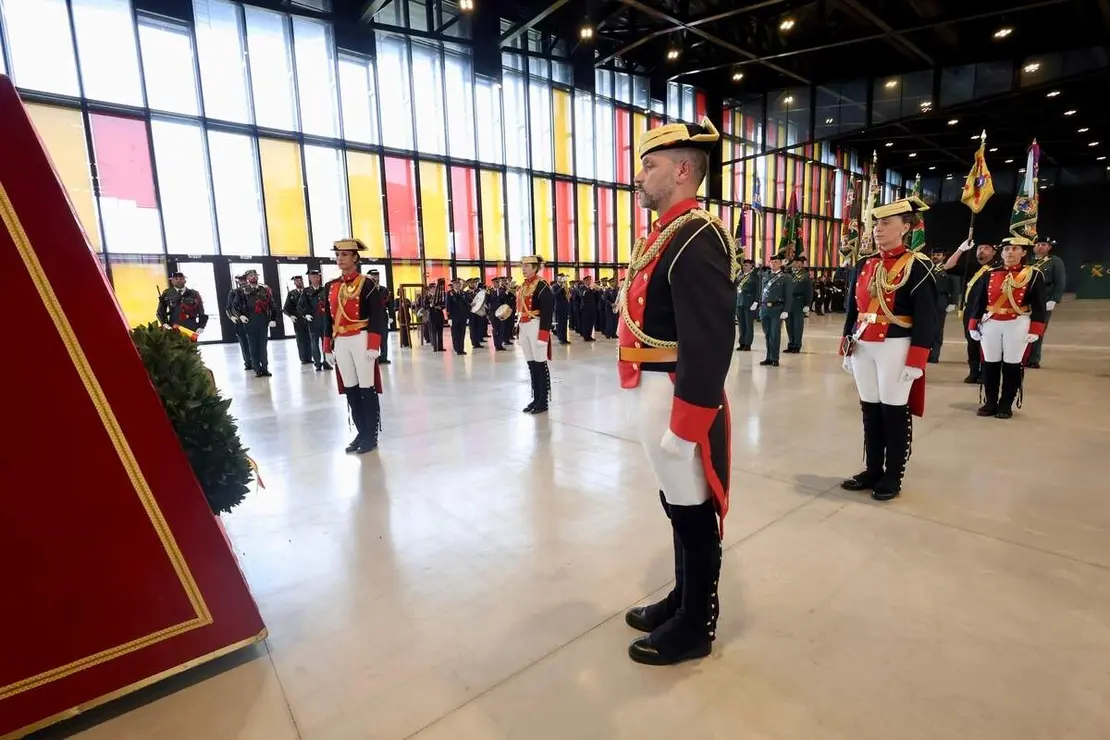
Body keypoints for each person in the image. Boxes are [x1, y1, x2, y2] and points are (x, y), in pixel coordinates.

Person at [618, 117, 736, 666]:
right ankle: (683, 596)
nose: (640, 175)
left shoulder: (697, 235)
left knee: (693, 509)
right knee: (675, 504)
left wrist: (689, 422)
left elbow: (710, 338)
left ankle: (696, 623)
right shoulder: (665, 232)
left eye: (651, 165)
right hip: (650, 384)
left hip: (674, 390)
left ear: (684, 169)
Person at [839, 197, 937, 501]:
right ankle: (872, 469)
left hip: (896, 344)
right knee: (869, 409)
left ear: (906, 227)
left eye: (886, 223)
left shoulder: (918, 266)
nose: (878, 229)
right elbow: (853, 309)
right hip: (864, 344)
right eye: (877, 223)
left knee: (894, 411)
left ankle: (893, 474)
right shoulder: (866, 263)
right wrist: (846, 344)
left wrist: (917, 358)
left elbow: (928, 315)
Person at [966, 237, 1047, 419]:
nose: (1010, 252)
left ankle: (1006, 403)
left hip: (1017, 322)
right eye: (1006, 249)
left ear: (1024, 252)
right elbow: (978, 301)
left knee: (1012, 365)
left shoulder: (1033, 274)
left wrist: (1036, 329)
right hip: (991, 322)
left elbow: (1039, 305)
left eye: (1015, 249)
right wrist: (973, 323)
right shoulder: (990, 273)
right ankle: (990, 402)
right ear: (1001, 253)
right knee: (990, 364)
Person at [322, 239, 386, 454]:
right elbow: (327, 319)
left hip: (361, 337)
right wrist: (326, 347)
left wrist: (374, 344)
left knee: (366, 388)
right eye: (338, 255)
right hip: (341, 340)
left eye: (345, 255)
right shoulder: (330, 286)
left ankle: (371, 435)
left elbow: (377, 315)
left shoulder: (367, 284)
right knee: (350, 388)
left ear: (356, 258)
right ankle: (361, 432)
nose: (340, 259)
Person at [945, 239, 999, 383]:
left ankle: (985, 372)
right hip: (970, 311)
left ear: (994, 252)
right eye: (979, 248)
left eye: (986, 248)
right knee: (971, 342)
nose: (981, 250)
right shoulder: (972, 266)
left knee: (986, 343)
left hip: (988, 312)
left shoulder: (998, 268)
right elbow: (948, 267)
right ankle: (974, 371)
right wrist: (961, 249)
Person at [516, 255, 555, 414]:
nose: (523, 269)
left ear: (535, 268)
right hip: (524, 326)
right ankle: (536, 397)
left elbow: (547, 311)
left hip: (536, 326)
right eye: (523, 266)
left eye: (526, 266)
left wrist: (543, 335)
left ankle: (543, 401)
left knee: (540, 364)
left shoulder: (543, 286)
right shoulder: (523, 286)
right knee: (531, 365)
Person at [1026, 236, 1065, 368]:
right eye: (1038, 244)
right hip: (1025, 298)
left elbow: (1060, 282)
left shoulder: (1054, 261)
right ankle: (1022, 357)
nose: (1040, 246)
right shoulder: (1027, 260)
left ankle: (1033, 359)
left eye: (1044, 244)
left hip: (1044, 298)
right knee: (1022, 329)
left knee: (1038, 329)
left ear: (1049, 247)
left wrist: (1054, 299)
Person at [233, 269, 278, 377]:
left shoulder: (264, 289)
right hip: (250, 321)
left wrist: (273, 318)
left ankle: (265, 367)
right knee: (253, 345)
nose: (253, 277)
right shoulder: (241, 290)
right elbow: (234, 306)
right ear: (247, 278)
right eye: (250, 275)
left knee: (263, 345)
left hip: (263, 320)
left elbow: (272, 305)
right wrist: (240, 315)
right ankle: (257, 368)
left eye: (255, 275)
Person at [758, 253, 792, 366]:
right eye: (771, 262)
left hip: (777, 309)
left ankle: (775, 358)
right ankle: (768, 357)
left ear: (780, 264)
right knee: (767, 334)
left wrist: (786, 310)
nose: (773, 264)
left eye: (776, 262)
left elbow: (788, 295)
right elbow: (761, 291)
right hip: (764, 308)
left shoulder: (785, 277)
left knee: (775, 334)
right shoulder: (765, 275)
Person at [298, 269, 332, 371]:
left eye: (317, 277)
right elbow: (300, 306)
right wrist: (306, 314)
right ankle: (317, 363)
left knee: (326, 342)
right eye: (313, 277)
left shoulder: (324, 290)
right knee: (314, 343)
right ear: (309, 278)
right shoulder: (306, 291)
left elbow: (330, 304)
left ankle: (326, 362)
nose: (315, 279)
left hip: (325, 321)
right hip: (313, 321)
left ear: (319, 277)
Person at [927, 250, 956, 364]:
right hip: (928, 302)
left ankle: (935, 355)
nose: (935, 257)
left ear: (944, 257)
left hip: (940, 301)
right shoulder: (928, 268)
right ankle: (927, 353)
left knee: (937, 330)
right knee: (927, 329)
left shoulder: (948, 268)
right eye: (933, 255)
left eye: (938, 255)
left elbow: (954, 285)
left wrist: (952, 302)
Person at [784, 255, 812, 353]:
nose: (796, 264)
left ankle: (796, 345)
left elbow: (809, 291)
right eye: (795, 262)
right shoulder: (789, 274)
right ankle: (791, 344)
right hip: (789, 302)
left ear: (802, 263)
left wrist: (807, 304)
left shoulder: (805, 275)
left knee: (797, 325)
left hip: (799, 302)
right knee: (789, 324)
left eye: (798, 262)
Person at [283, 275, 312, 365]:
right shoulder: (292, 294)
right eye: (297, 281)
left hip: (309, 319)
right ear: (294, 283)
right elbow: (286, 308)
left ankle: (309, 357)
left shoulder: (308, 291)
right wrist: (291, 316)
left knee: (309, 339)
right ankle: (303, 358)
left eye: (300, 280)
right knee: (301, 339)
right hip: (298, 320)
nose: (299, 282)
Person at [226, 274, 252, 369]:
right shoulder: (233, 292)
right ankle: (248, 362)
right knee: (244, 342)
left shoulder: (252, 291)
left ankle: (256, 361)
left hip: (252, 320)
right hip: (239, 321)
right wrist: (232, 317)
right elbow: (228, 307)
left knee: (254, 342)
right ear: (238, 281)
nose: (243, 281)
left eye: (245, 279)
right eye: (241, 280)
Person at [735, 258, 758, 351]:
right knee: (741, 324)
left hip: (749, 302)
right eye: (743, 265)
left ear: (751, 266)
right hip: (740, 302)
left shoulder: (754, 276)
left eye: (746, 265)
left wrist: (756, 302)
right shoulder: (740, 276)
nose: (744, 267)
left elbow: (758, 290)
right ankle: (742, 342)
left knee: (748, 324)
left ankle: (748, 344)